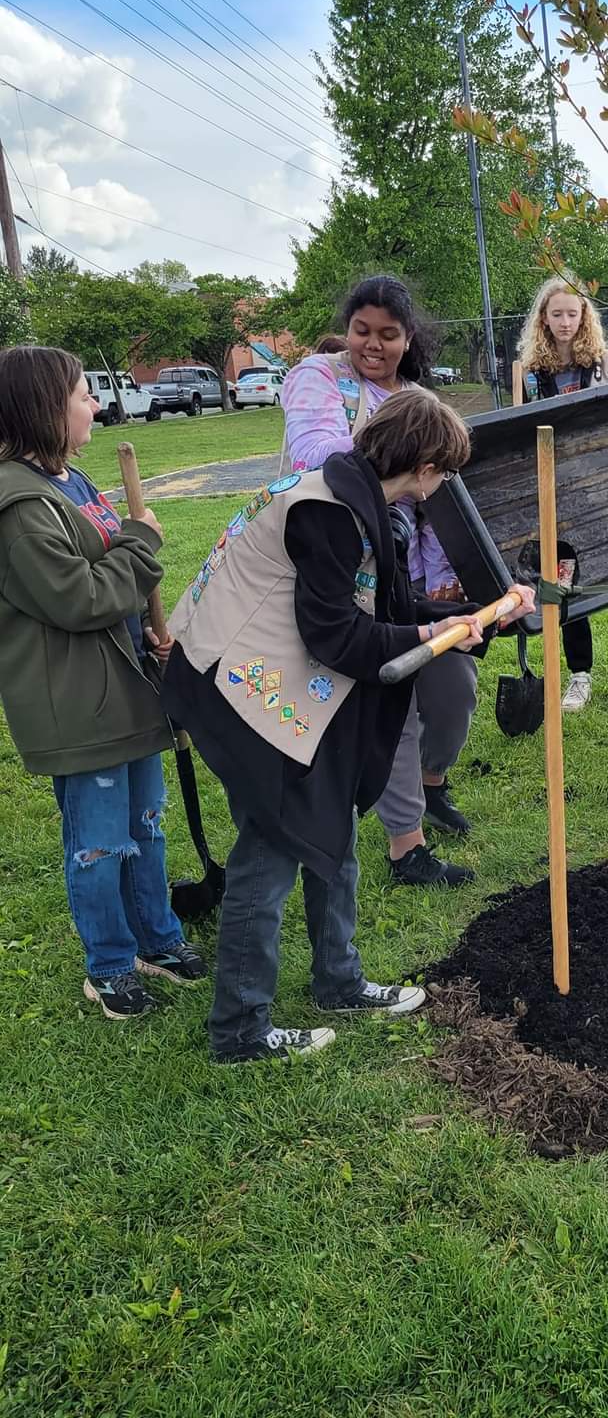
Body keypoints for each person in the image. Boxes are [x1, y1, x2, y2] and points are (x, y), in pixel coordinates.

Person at [163, 390, 533, 1062]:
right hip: (236, 689)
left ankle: (338, 979)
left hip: (276, 683)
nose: (441, 486)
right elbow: (336, 636)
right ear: (420, 464)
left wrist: (475, 617)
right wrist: (428, 630)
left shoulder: (352, 494)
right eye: (442, 471)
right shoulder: (327, 511)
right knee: (272, 849)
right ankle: (240, 1031)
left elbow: (385, 603)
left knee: (327, 822)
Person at [0, 346, 207, 1020]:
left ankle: (157, 938)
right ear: (44, 408)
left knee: (146, 824)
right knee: (97, 842)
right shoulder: (20, 507)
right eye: (83, 393)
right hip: (76, 704)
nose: (94, 404)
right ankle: (110, 965)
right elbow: (77, 598)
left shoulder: (73, 483)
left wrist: (143, 626)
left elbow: (110, 587)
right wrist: (143, 543)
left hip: (125, 687)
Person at [282, 275, 478, 887]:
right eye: (361, 331)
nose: (372, 345)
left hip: (407, 575)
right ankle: (405, 844)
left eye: (387, 335)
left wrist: (446, 583)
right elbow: (316, 452)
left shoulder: (418, 395)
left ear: (407, 337)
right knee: (387, 701)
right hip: (342, 568)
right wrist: (393, 447)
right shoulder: (318, 377)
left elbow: (442, 498)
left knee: (451, 688)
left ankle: (430, 785)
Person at [518, 275, 608, 712]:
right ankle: (580, 675)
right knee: (567, 581)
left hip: (604, 486)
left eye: (573, 313)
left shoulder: (604, 362)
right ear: (544, 320)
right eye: (556, 314)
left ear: (584, 316)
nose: (565, 322)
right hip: (557, 490)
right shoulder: (529, 373)